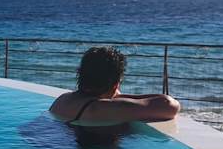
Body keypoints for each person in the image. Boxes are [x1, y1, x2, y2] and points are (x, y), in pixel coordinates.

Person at [49, 46, 180, 127]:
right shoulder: (102, 108)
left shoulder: (63, 99)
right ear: (115, 84)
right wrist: (118, 96)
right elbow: (169, 105)